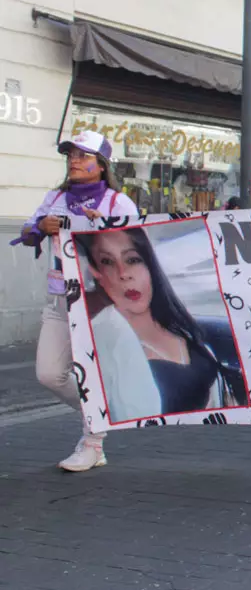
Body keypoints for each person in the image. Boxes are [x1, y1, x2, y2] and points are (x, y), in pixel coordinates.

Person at [13, 131, 139, 471]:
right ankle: (101, 413)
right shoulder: (55, 197)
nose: (74, 161)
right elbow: (26, 233)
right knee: (50, 374)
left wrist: (108, 229)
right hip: (59, 300)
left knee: (93, 374)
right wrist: (41, 225)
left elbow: (138, 243)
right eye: (71, 155)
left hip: (101, 302)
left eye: (83, 156)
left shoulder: (117, 202)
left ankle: (93, 443)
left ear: (101, 165)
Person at [75, 228, 249, 422]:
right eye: (107, 262)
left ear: (150, 264)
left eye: (132, 260)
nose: (124, 274)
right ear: (96, 272)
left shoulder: (181, 327)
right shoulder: (106, 339)